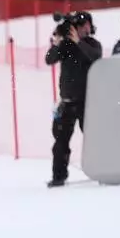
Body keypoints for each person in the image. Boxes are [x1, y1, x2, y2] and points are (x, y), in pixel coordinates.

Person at [44, 10, 102, 188]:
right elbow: (49, 59)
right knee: (60, 142)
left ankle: (103, 171)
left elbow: (95, 56)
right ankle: (58, 177)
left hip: (88, 102)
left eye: (85, 26)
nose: (82, 29)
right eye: (79, 26)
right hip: (68, 101)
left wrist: (79, 42)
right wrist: (57, 43)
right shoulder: (66, 46)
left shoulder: (92, 44)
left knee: (95, 139)